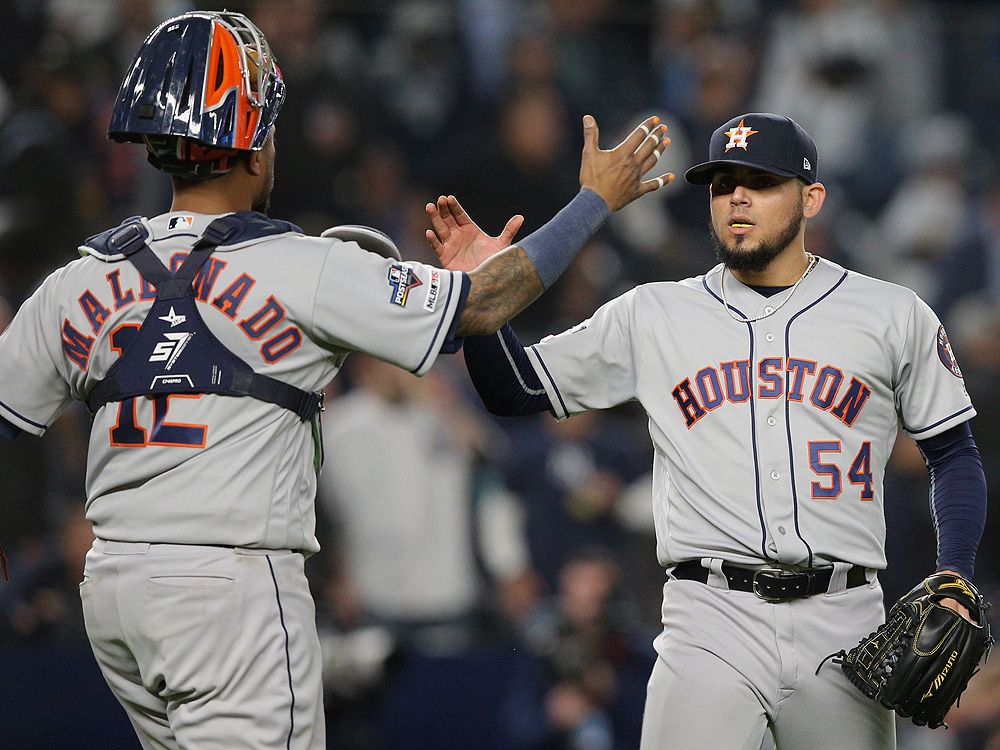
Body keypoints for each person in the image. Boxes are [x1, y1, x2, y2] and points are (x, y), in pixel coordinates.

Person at [0, 10, 671, 749]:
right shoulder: (304, 268)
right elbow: (488, 303)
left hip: (116, 594)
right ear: (257, 145)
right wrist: (594, 201)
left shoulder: (81, 278)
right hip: (230, 590)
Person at [426, 112, 987, 749]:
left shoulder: (891, 313)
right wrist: (481, 300)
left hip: (845, 623)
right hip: (710, 617)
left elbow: (953, 452)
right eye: (722, 184)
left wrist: (956, 576)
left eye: (761, 181)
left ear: (812, 198)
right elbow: (514, 388)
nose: (737, 197)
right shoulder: (654, 313)